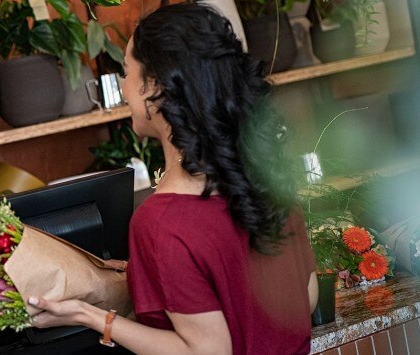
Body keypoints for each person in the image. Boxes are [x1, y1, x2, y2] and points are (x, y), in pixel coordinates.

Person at [26, 4, 319, 354]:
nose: (122, 87)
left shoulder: (162, 221)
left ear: (155, 87)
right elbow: (308, 297)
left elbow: (207, 352)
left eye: (126, 72)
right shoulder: (269, 182)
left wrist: (92, 317)